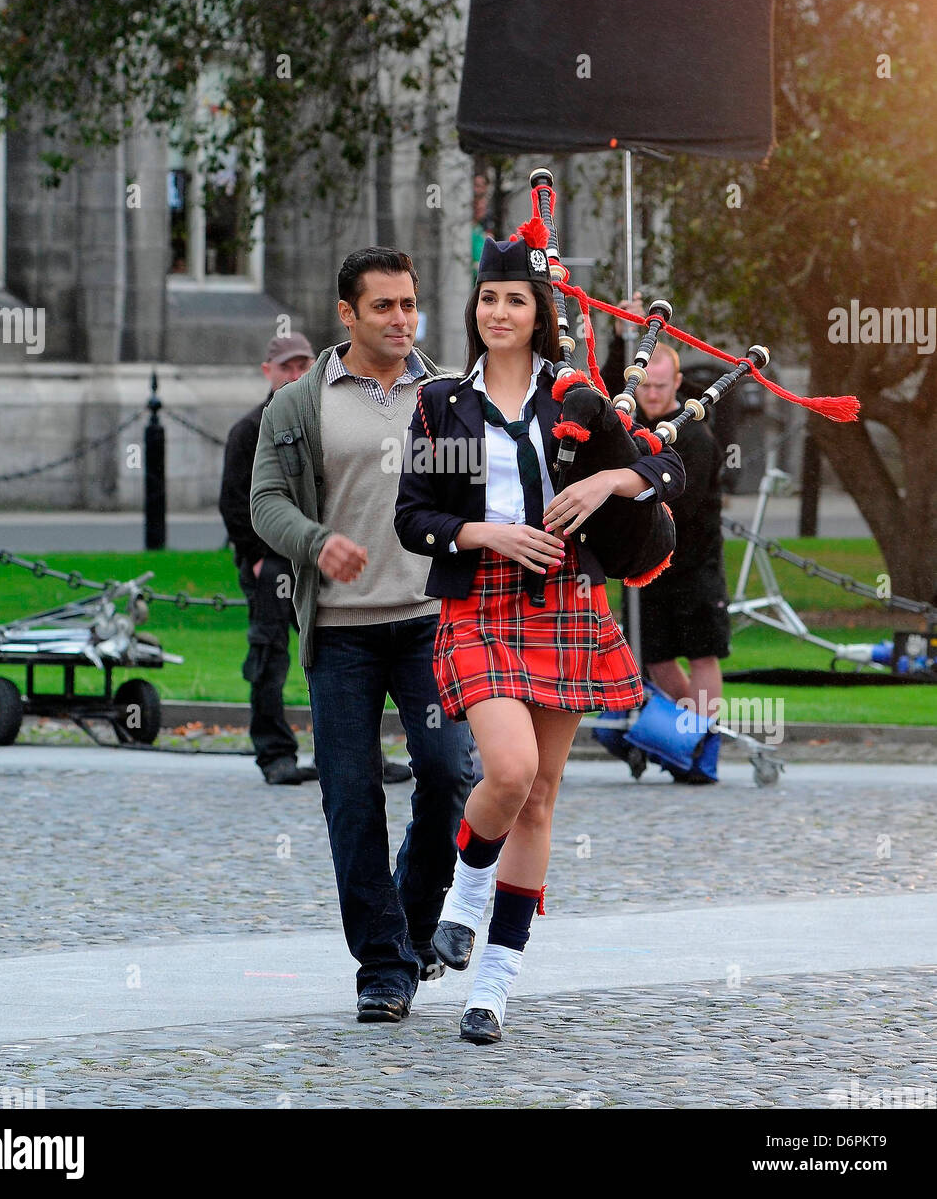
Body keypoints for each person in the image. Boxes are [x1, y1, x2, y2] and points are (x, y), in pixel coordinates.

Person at [394, 230, 685, 1044]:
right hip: (478, 606)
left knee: (543, 797)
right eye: (488, 298)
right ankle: (462, 896)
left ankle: (493, 985)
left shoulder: (576, 398)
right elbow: (413, 520)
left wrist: (604, 477)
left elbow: (668, 474)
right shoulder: (441, 403)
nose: (498, 311)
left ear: (539, 312)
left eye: (514, 299)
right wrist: (487, 534)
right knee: (511, 771)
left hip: (563, 604)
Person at [250, 248, 473, 1024]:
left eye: (409, 304)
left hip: (429, 625)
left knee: (448, 777)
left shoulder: (448, 395)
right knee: (352, 799)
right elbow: (265, 502)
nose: (402, 320)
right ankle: (382, 967)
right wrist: (314, 541)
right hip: (341, 635)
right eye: (384, 307)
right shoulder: (301, 405)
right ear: (347, 314)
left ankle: (411, 931)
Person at [602, 299, 729, 723]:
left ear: (678, 382)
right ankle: (685, 732)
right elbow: (604, 395)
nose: (652, 395)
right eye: (645, 387)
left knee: (702, 655)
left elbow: (681, 504)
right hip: (648, 565)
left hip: (694, 564)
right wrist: (621, 338)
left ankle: (701, 739)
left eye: (660, 386)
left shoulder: (694, 436)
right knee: (653, 659)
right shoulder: (633, 425)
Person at [219, 334, 315, 785]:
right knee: (269, 658)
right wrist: (257, 559)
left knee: (345, 661)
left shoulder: (325, 418)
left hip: (318, 559)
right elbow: (235, 503)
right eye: (286, 368)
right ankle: (274, 753)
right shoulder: (249, 430)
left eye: (303, 367)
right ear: (269, 372)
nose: (295, 376)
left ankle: (356, 757)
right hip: (273, 563)